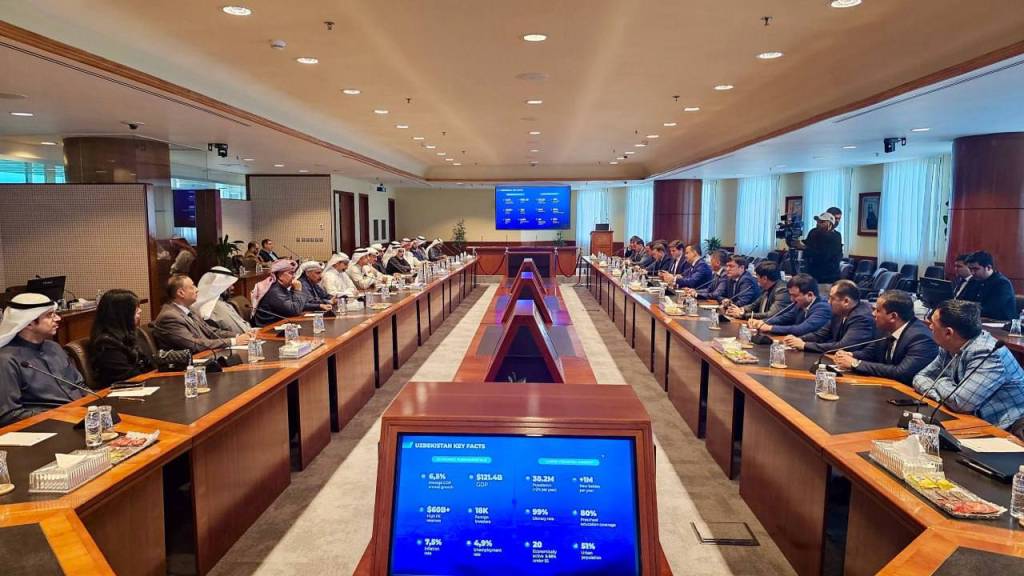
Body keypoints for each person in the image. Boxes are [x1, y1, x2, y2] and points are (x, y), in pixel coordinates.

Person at [912, 300, 1024, 429]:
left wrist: (939, 381)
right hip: (971, 419)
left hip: (1008, 427)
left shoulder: (987, 352)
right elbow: (920, 377)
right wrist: (939, 396)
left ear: (948, 333)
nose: (930, 327)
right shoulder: (948, 345)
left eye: (933, 323)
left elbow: (960, 403)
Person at [0, 293, 87, 426]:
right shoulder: (6, 360)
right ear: (29, 323)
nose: (58, 318)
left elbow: (80, 385)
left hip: (79, 415)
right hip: (46, 425)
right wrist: (61, 415)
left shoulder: (54, 347)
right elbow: (9, 415)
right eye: (49, 315)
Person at [833, 290, 938, 385]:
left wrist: (855, 363)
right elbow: (870, 352)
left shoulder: (921, 338)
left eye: (877, 310)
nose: (873, 314)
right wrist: (850, 355)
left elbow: (902, 372)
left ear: (893, 316)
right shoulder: (884, 328)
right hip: (886, 386)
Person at [152, 275, 250, 353]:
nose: (197, 289)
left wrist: (239, 336)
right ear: (181, 293)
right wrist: (234, 341)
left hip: (206, 356)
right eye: (192, 287)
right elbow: (195, 345)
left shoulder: (190, 309)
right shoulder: (169, 317)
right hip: (185, 367)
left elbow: (211, 332)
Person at [784, 279, 875, 353]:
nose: (828, 302)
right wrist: (797, 340)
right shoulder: (839, 312)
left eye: (832, 298)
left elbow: (844, 346)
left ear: (846, 301)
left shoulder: (862, 318)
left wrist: (804, 345)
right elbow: (821, 334)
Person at [89, 289, 155, 388]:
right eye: (135, 308)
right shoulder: (106, 345)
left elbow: (147, 365)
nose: (140, 310)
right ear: (122, 313)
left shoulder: (128, 335)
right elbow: (128, 377)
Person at [748, 273, 831, 336]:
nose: (791, 299)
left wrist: (771, 328)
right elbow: (784, 318)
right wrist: (762, 322)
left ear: (810, 295)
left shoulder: (822, 308)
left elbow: (801, 329)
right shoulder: (800, 304)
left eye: (795, 296)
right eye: (790, 295)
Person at [252, 260, 331, 326]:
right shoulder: (274, 291)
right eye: (291, 273)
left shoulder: (282, 287)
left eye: (294, 273)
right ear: (279, 275)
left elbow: (300, 305)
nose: (294, 276)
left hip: (281, 324)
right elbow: (295, 310)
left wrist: (319, 306)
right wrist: (298, 290)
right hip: (268, 328)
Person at [194, 267, 252, 336]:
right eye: (229, 285)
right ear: (219, 286)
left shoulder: (210, 303)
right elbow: (242, 331)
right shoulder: (216, 306)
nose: (233, 287)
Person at [726, 261, 791, 320]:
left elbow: (771, 315)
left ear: (765, 278)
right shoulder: (767, 288)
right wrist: (740, 310)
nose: (757, 280)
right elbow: (754, 305)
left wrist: (743, 315)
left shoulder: (782, 290)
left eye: (757, 276)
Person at [961, 251, 1016, 320]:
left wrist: (967, 311)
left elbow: (991, 309)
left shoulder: (1002, 283)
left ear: (988, 267)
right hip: (978, 320)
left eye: (975, 269)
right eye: (970, 269)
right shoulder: (974, 281)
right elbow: (965, 301)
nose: (972, 273)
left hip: (1000, 323)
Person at [802, 212, 842, 283]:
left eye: (822, 222)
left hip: (828, 276)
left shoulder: (835, 236)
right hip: (811, 273)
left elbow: (825, 255)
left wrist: (805, 248)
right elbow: (806, 245)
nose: (818, 223)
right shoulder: (813, 232)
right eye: (818, 221)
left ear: (830, 224)